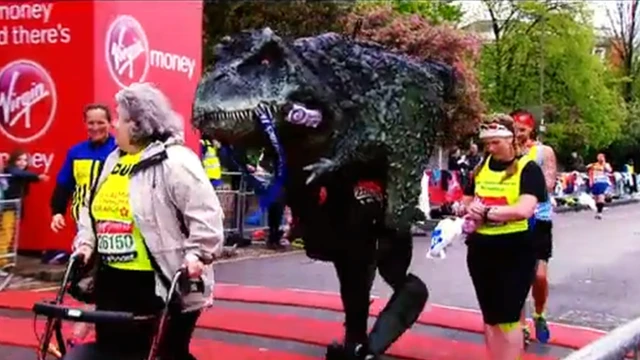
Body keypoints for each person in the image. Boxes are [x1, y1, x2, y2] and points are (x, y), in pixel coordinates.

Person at [67, 82, 224, 360]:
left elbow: (206, 214)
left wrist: (199, 253)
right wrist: (86, 244)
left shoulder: (175, 161)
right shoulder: (113, 160)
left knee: (164, 353)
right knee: (114, 352)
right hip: (113, 281)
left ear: (138, 124)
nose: (114, 124)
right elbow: (92, 211)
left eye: (120, 118)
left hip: (161, 281)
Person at [457, 113, 547, 360]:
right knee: (490, 316)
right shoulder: (480, 168)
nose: (490, 147)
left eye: (496, 142)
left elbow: (523, 209)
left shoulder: (528, 169)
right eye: (487, 143)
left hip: (515, 250)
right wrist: (466, 208)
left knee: (508, 316)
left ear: (511, 140)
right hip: (481, 249)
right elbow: (464, 200)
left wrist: (486, 212)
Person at [48, 104, 117, 264]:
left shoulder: (120, 150)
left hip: (114, 219)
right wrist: (57, 212)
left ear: (110, 123)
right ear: (85, 124)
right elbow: (64, 183)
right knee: (85, 262)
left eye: (100, 122)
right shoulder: (76, 152)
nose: (95, 127)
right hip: (84, 218)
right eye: (91, 123)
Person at [512, 109, 557, 345]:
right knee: (518, 276)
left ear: (531, 129)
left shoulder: (543, 152)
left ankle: (539, 314)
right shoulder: (507, 151)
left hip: (539, 217)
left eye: (522, 129)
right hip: (515, 218)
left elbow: (549, 184)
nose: (518, 133)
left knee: (539, 277)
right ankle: (520, 326)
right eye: (514, 129)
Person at [586, 153, 612, 220]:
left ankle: (599, 213)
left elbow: (609, 170)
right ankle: (598, 211)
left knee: (600, 197)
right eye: (598, 157)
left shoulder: (606, 164)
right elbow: (587, 169)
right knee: (596, 199)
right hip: (595, 182)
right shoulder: (594, 164)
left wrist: (603, 163)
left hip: (603, 182)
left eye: (601, 157)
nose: (600, 158)